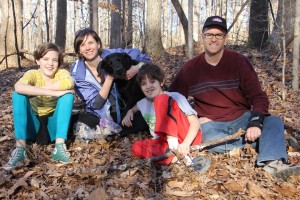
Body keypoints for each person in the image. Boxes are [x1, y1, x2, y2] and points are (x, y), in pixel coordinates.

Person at [168, 15, 300, 180]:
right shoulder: (190, 69)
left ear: (225, 38)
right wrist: (192, 119)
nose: (214, 39)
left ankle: (272, 162)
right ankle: (272, 141)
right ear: (202, 37)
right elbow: (171, 100)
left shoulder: (239, 62)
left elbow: (258, 96)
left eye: (219, 35)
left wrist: (255, 122)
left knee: (273, 121)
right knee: (201, 139)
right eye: (210, 34)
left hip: (241, 119)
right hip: (211, 127)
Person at [122, 64, 210, 171]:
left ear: (161, 82)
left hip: (186, 138)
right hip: (165, 144)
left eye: (152, 81)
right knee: (136, 147)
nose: (148, 86)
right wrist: (130, 111)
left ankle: (175, 150)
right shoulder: (143, 103)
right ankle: (179, 159)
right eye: (144, 84)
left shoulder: (175, 97)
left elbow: (195, 122)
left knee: (161, 99)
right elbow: (137, 106)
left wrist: (186, 143)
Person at [3, 42, 74, 170]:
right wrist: (52, 92)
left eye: (55, 60)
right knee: (18, 95)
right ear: (37, 60)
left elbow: (69, 82)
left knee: (68, 96)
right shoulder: (32, 74)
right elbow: (18, 87)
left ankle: (59, 147)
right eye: (45, 59)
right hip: (33, 125)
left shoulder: (62, 73)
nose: (50, 64)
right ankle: (20, 149)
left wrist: (37, 90)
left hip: (54, 126)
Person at [71, 28, 150, 140]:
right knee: (83, 126)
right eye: (83, 45)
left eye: (90, 43)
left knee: (144, 118)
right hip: (100, 113)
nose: (88, 48)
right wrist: (110, 78)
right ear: (79, 50)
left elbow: (145, 59)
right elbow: (96, 105)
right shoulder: (78, 74)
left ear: (98, 44)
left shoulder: (114, 55)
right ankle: (114, 131)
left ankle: (115, 133)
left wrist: (136, 67)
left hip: (125, 107)